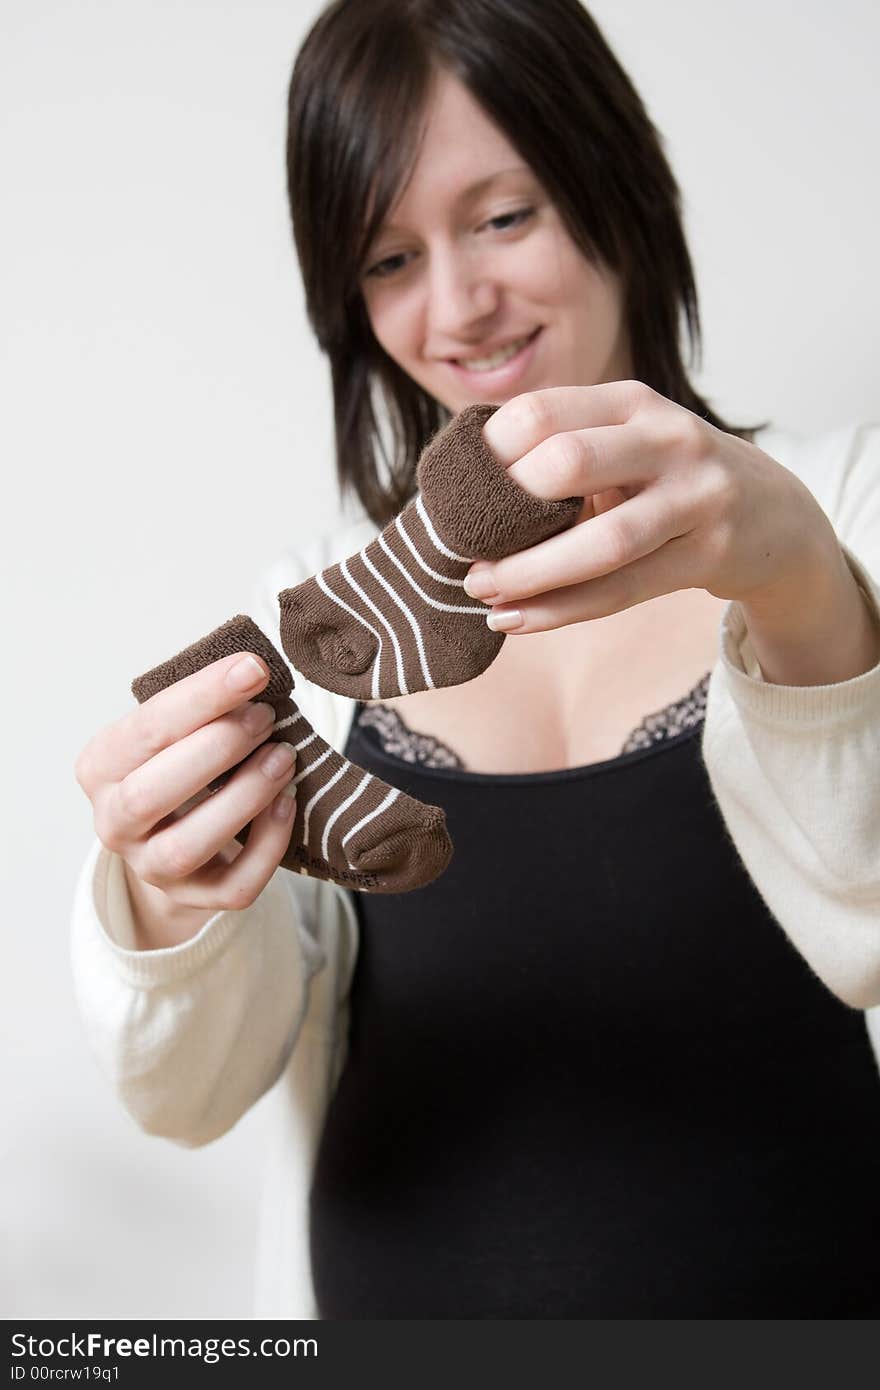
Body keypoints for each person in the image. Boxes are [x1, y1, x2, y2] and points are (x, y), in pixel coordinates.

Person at [71, 0, 880, 1319]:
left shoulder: (848, 513)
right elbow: (188, 1089)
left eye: (504, 217)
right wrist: (169, 900)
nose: (456, 308)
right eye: (387, 259)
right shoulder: (316, 622)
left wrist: (801, 587)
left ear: (615, 180)